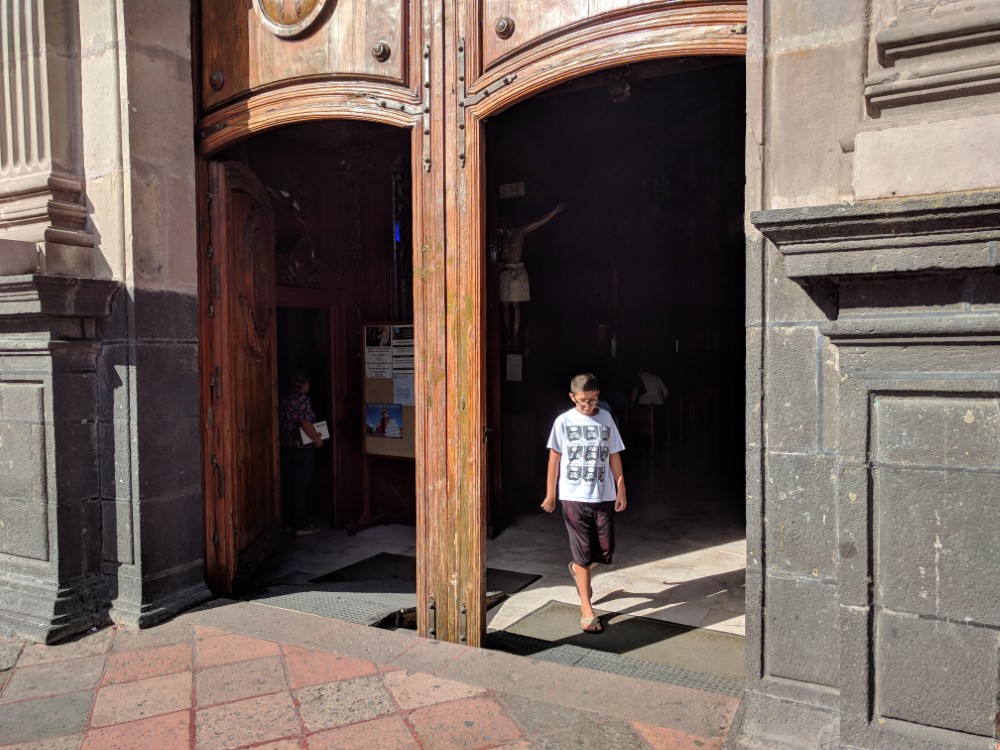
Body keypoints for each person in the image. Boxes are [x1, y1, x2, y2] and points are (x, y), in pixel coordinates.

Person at [541, 372, 627, 634]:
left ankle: (579, 568)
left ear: (598, 394)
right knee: (582, 552)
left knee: (606, 549)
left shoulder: (606, 418)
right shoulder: (563, 422)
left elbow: (614, 455)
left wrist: (621, 488)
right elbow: (554, 460)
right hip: (572, 495)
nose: (588, 406)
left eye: (592, 400)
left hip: (603, 493)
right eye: (582, 401)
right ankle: (586, 607)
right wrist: (550, 494)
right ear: (572, 397)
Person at [498, 202, 565, 351]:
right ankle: (508, 335)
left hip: (516, 271)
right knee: (505, 306)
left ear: (507, 223)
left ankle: (514, 336)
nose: (501, 226)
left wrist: (554, 211)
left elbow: (539, 222)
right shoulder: (501, 237)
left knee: (515, 305)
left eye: (502, 224)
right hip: (505, 271)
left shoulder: (520, 232)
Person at [278, 370, 323, 535]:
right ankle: (300, 525)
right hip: (302, 449)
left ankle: (288, 523)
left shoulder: (283, 399)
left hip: (286, 447)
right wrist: (317, 440)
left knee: (288, 486)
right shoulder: (302, 400)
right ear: (303, 384)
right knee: (300, 487)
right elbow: (304, 422)